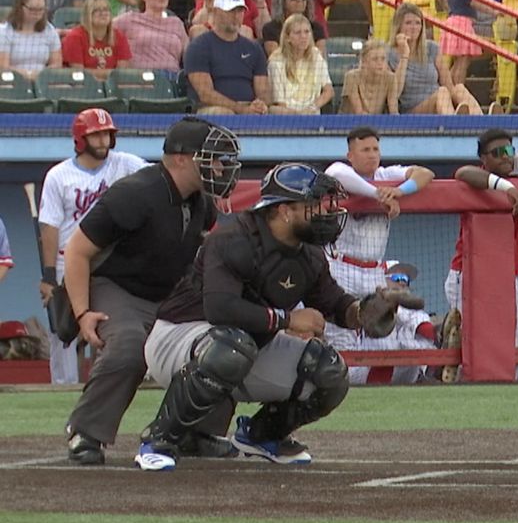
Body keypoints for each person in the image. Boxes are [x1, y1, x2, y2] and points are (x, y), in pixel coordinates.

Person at [131, 163, 372, 471]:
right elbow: (221, 309)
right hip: (177, 337)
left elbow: (335, 303)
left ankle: (263, 436)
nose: (324, 213)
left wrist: (363, 312)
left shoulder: (309, 253)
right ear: (284, 211)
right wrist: (287, 320)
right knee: (231, 346)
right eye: (313, 205)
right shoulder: (232, 240)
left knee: (330, 372)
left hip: (245, 346)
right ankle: (159, 439)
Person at [62, 117, 240, 465]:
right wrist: (82, 312)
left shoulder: (201, 202)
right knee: (129, 345)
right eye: (210, 157)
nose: (218, 167)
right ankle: (86, 431)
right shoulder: (134, 193)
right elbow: (78, 250)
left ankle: (197, 431)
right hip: (118, 286)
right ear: (180, 158)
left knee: (225, 344)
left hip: (170, 292)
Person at [37, 109, 147, 385]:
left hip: (110, 262)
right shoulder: (58, 175)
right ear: (80, 139)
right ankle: (63, 389)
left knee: (108, 324)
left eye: (106, 134)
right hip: (68, 261)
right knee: (63, 331)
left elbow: (160, 181)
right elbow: (49, 227)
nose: (102, 140)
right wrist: (49, 276)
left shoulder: (126, 165)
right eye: (95, 135)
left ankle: (102, 385)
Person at [322, 128, 434, 362]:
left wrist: (399, 191)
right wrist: (379, 196)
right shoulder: (342, 172)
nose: (372, 155)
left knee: (382, 341)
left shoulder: (386, 175)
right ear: (351, 154)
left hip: (374, 271)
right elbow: (335, 172)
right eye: (365, 150)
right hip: (341, 267)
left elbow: (425, 173)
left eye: (375, 149)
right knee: (343, 345)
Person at [448, 128, 518, 354]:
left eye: (509, 150)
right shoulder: (478, 178)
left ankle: (509, 390)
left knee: (516, 337)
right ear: (484, 159)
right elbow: (462, 173)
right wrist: (508, 187)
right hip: (467, 273)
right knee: (473, 345)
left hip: (504, 274)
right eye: (497, 152)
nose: (505, 156)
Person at [347, 262, 436, 386]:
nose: (402, 282)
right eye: (397, 278)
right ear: (381, 280)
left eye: (406, 279)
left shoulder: (415, 313)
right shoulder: (369, 305)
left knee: (414, 340)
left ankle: (434, 368)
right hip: (364, 369)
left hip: (404, 370)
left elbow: (426, 329)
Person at [184, 0, 270, 115]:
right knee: (223, 113)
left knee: (272, 111)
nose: (236, 16)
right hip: (212, 107)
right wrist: (241, 109)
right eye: (230, 11)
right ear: (216, 12)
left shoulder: (254, 48)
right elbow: (206, 94)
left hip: (248, 106)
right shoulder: (199, 46)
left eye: (240, 11)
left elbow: (263, 91)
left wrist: (260, 103)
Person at [387, 1, 482, 114]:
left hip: (442, 102)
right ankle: (455, 126)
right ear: (399, 26)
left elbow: (449, 85)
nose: (414, 27)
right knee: (441, 93)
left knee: (459, 88)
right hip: (412, 109)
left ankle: (483, 123)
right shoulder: (389, 53)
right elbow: (395, 92)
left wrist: (457, 98)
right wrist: (404, 55)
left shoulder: (432, 48)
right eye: (408, 23)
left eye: (417, 23)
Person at [436, 0, 498, 91]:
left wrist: (448, 9)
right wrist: (493, 11)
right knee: (463, 61)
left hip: (451, 22)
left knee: (459, 61)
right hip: (462, 23)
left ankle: (449, 90)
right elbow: (473, 1)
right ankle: (458, 90)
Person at [113, 0, 187, 76]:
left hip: (172, 78)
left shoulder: (176, 23)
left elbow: (189, 53)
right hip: (142, 77)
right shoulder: (130, 19)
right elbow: (103, 30)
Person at [267, 13, 333, 114]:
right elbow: (280, 105)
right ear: (287, 38)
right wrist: (299, 115)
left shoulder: (316, 56)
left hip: (312, 118)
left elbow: (329, 91)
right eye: (298, 33)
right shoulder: (276, 62)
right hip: (288, 119)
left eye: (307, 32)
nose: (303, 36)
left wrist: (312, 108)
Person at [60, 0, 130, 79]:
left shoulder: (119, 36)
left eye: (106, 10)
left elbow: (122, 73)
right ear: (87, 15)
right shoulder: (75, 37)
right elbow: (79, 73)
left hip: (112, 87)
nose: (103, 13)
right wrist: (109, 73)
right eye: (97, 10)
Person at [0, 0, 61, 77]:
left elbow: (57, 64)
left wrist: (39, 76)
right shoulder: (5, 31)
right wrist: (29, 75)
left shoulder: (49, 30)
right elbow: (3, 67)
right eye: (32, 9)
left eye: (41, 9)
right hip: (13, 80)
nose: (37, 13)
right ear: (20, 7)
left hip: (42, 79)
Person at [261, 0, 327, 57]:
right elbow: (275, 58)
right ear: (282, 1)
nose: (299, 0)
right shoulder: (271, 29)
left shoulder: (316, 28)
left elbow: (318, 58)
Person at [340, 39, 405, 114]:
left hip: (377, 123)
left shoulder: (391, 78)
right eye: (375, 59)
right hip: (349, 123)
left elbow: (393, 111)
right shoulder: (351, 77)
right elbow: (359, 112)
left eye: (383, 59)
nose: (380, 63)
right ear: (364, 62)